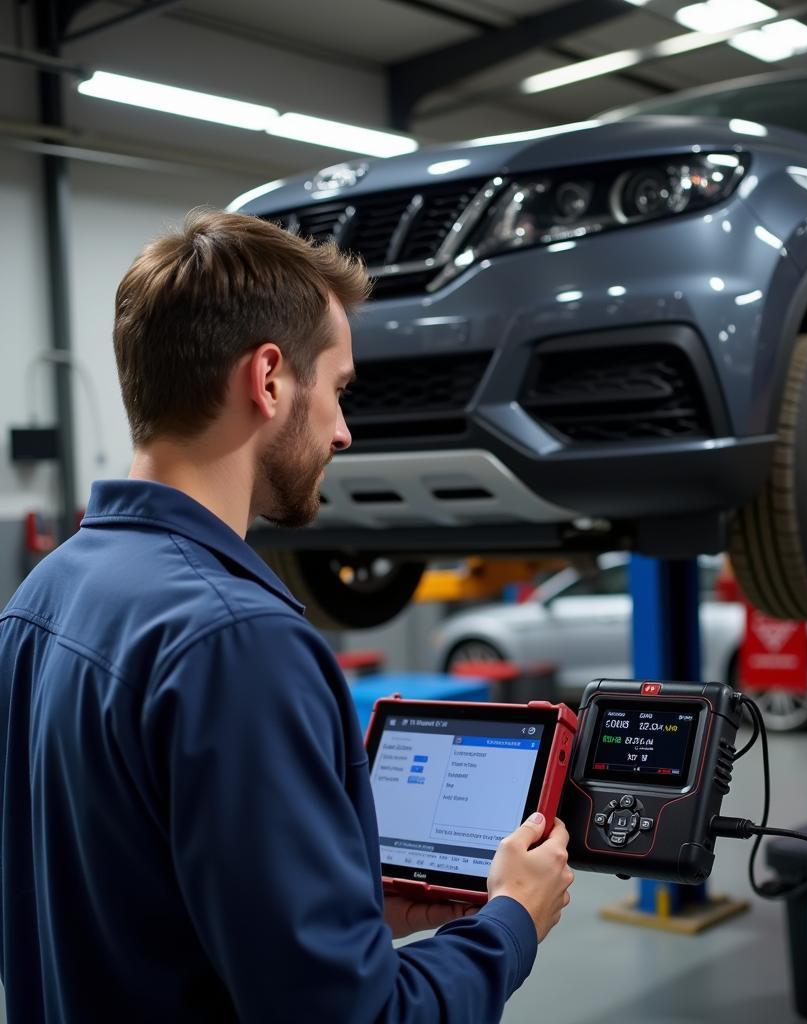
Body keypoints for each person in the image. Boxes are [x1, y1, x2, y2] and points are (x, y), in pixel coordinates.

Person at [0, 210, 574, 1022]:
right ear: (269, 379)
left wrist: (346, 917)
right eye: (337, 390)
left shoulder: (39, 599)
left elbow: (123, 911)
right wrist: (512, 921)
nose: (342, 432)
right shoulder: (238, 641)